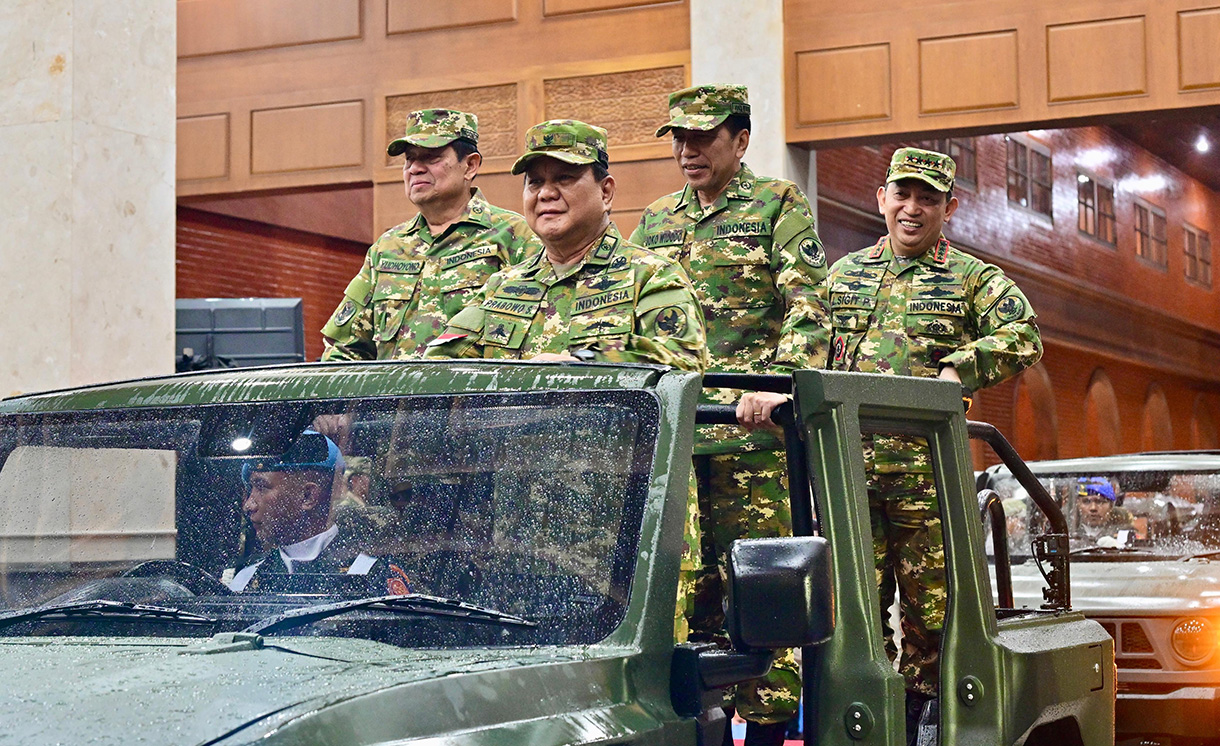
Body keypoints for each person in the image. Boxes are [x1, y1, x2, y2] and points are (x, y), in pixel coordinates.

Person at [631, 83, 828, 743]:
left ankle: (769, 733)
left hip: (751, 440)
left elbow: (809, 304)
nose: (688, 150)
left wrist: (777, 387)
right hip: (676, 444)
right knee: (686, 599)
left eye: (703, 137)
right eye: (680, 139)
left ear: (740, 141)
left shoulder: (778, 205)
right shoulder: (656, 219)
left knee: (761, 600)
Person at [823, 147, 1043, 738]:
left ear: (950, 206)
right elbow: (808, 348)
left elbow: (1024, 334)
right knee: (852, 618)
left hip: (929, 485)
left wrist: (961, 368)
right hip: (848, 482)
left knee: (935, 622)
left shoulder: (973, 278)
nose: (912, 209)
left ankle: (928, 731)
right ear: (881, 198)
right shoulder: (843, 275)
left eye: (927, 198)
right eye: (902, 195)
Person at [424, 119, 707, 372]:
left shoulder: (651, 276)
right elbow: (438, 365)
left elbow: (683, 359)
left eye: (564, 178)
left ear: (605, 192)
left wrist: (586, 360)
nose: (546, 193)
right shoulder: (502, 286)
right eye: (535, 182)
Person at [321, 108, 541, 361]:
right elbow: (346, 348)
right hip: (393, 398)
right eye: (409, 160)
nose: (414, 169)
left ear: (470, 165)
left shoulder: (515, 235)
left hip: (473, 397)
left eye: (431, 158)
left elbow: (539, 333)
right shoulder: (388, 248)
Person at [226, 430, 413, 595]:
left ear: (308, 496)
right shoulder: (247, 580)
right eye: (251, 489)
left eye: (262, 487)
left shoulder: (370, 574)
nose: (248, 505)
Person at [1075, 477, 1133, 543]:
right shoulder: (1069, 535)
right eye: (1086, 501)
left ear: (1111, 506)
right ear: (1078, 505)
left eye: (1100, 502)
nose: (1093, 508)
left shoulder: (1124, 535)